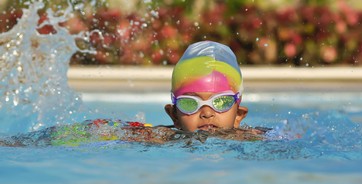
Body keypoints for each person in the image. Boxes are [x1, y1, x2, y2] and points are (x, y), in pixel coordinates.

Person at [1, 41, 267, 147]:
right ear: (173, 114)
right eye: (190, 103)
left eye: (220, 102)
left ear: (239, 114)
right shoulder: (161, 137)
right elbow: (103, 130)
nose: (206, 112)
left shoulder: (255, 140)